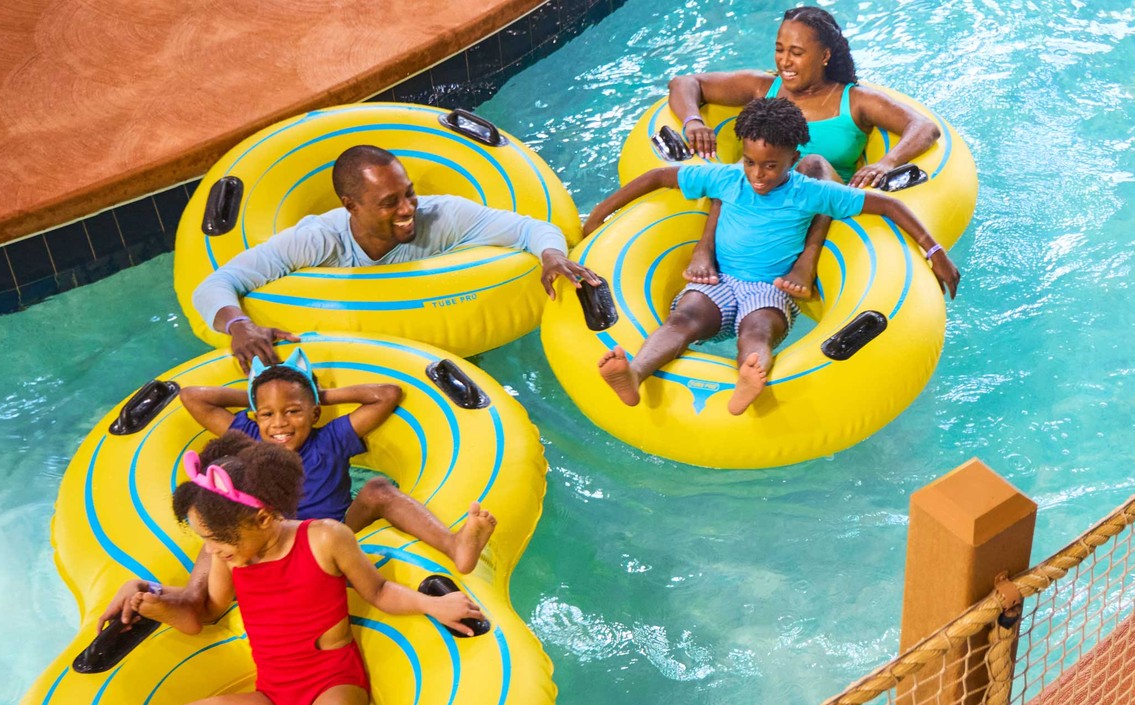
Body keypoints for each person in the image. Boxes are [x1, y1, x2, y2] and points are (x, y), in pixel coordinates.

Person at [583, 98, 960, 416]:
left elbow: (886, 205)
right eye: (750, 162)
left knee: (757, 329)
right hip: (720, 281)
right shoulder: (727, 179)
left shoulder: (810, 191)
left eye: (770, 166)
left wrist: (934, 250)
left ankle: (750, 375)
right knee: (685, 316)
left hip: (769, 289)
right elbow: (658, 177)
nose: (758, 175)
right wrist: (602, 211)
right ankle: (634, 373)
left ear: (793, 159)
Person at [99, 349, 496, 634]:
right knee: (217, 534)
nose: (280, 423)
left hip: (331, 533)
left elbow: (387, 394)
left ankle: (455, 545)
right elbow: (192, 397)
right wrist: (261, 393)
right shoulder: (248, 434)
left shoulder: (333, 437)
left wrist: (313, 392)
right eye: (268, 413)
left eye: (293, 411)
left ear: (313, 413)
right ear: (256, 417)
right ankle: (190, 600)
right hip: (266, 537)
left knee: (377, 488)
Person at [132, 432, 483, 705]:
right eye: (205, 540)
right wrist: (157, 601)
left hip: (333, 684)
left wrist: (433, 604)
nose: (210, 551)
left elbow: (378, 590)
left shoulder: (325, 538)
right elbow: (209, 608)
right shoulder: (231, 558)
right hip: (271, 694)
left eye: (219, 539)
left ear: (264, 518)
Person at [192, 145, 600, 369]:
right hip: (357, 354)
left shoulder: (443, 216)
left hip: (449, 338)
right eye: (390, 202)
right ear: (351, 206)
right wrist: (241, 327)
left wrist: (550, 255)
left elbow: (532, 228)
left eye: (408, 192)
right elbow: (215, 285)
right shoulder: (318, 240)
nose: (407, 208)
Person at [666, 6, 941, 187]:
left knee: (813, 166)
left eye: (796, 53)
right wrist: (693, 121)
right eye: (780, 49)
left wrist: (887, 162)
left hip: (819, 208)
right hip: (758, 195)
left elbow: (924, 127)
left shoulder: (855, 101)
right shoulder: (764, 87)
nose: (785, 61)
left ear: (824, 56)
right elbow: (685, 83)